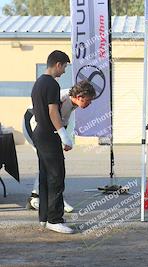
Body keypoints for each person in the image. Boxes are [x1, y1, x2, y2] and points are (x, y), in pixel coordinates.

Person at [30, 50, 85, 234]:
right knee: (56, 178)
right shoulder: (52, 84)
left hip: (40, 133)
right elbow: (53, 112)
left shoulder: (38, 83)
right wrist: (63, 134)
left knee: (45, 178)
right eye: (65, 67)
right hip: (49, 135)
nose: (64, 71)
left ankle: (44, 218)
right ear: (58, 64)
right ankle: (55, 220)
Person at [24, 80, 96, 214]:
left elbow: (63, 123)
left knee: (51, 162)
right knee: (49, 161)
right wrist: (63, 139)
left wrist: (64, 140)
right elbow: (51, 117)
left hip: (45, 128)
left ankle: (38, 197)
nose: (90, 103)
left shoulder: (73, 103)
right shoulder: (62, 98)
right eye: (89, 100)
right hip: (31, 123)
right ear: (80, 96)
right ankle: (42, 199)